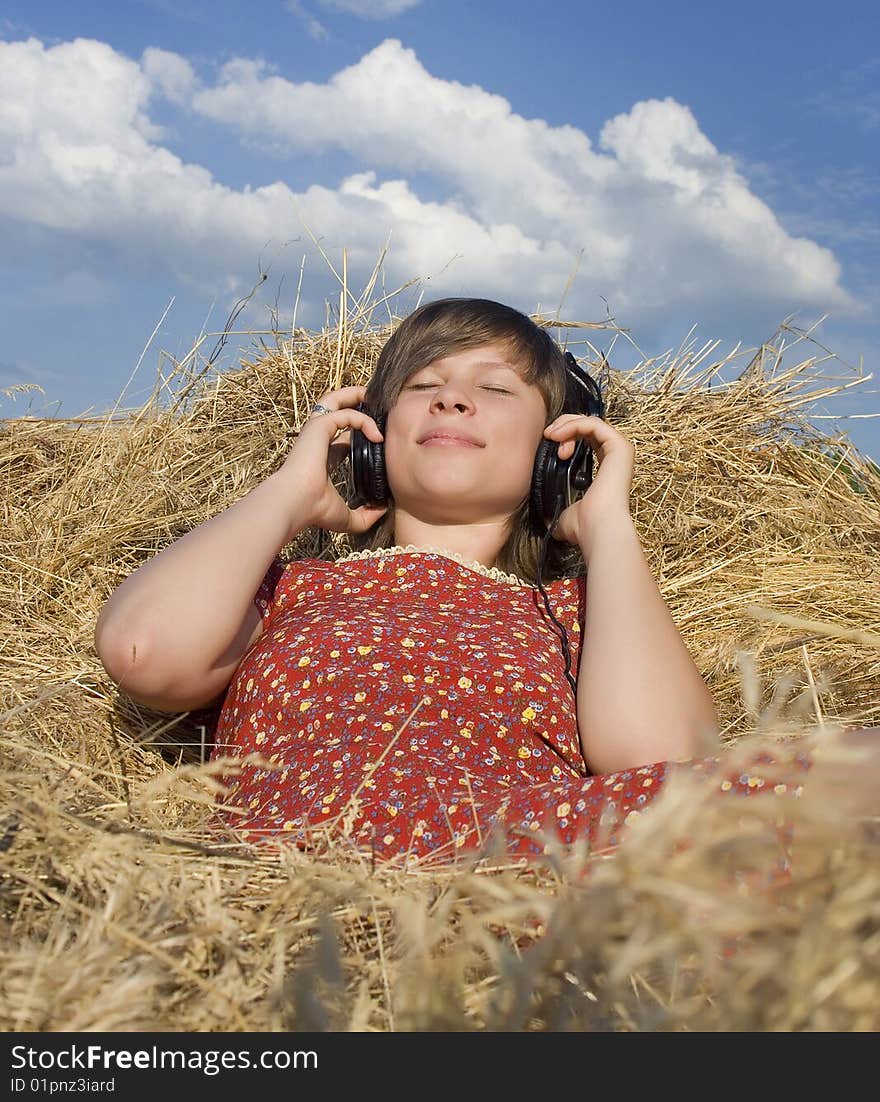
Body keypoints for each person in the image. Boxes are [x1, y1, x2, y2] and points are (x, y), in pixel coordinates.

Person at [94, 297, 830, 869]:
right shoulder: (289, 589)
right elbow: (141, 651)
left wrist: (609, 531)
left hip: (522, 873)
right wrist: (290, 493)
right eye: (424, 385)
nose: (451, 400)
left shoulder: (574, 612)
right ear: (372, 437)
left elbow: (664, 763)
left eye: (497, 389)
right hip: (302, 875)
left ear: (557, 454)